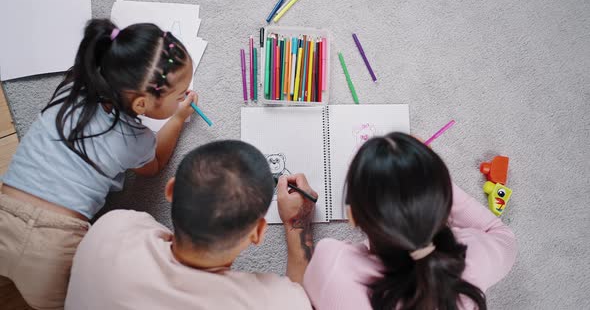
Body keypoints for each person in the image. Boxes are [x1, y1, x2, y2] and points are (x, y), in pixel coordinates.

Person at [0, 18, 199, 309]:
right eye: (179, 94)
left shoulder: (71, 89)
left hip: (5, 211)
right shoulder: (134, 138)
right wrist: (178, 118)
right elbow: (154, 164)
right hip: (56, 246)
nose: (184, 95)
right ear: (141, 105)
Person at [65, 140, 316, 310]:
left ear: (171, 189)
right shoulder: (271, 302)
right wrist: (297, 223)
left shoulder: (111, 227)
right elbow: (304, 297)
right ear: (258, 232)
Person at [303, 132, 517, 310]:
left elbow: (297, 298)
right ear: (442, 202)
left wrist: (297, 224)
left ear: (352, 216)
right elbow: (501, 234)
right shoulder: (472, 260)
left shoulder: (335, 267)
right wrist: (425, 180)